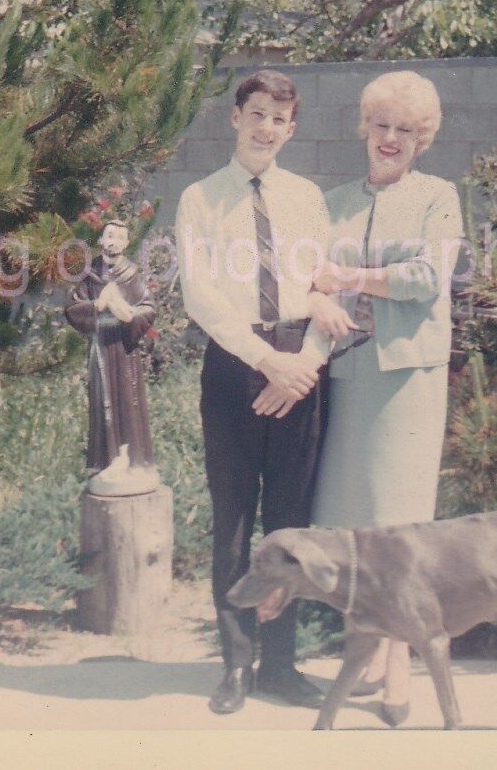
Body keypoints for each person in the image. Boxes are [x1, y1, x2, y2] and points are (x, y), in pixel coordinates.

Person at [174, 70, 357, 715]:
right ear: (236, 117)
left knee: (290, 524)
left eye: (279, 119)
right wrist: (266, 362)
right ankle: (237, 665)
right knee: (233, 522)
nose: (266, 127)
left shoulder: (308, 199)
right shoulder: (200, 199)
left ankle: (281, 664)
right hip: (234, 368)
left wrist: (303, 365)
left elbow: (325, 286)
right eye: (256, 113)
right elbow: (203, 298)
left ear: (291, 127)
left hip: (300, 368)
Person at [290, 70, 463, 727]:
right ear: (365, 129)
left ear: (423, 140)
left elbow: (425, 279)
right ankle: (367, 659)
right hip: (346, 377)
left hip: (406, 382)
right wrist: (315, 292)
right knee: (357, 528)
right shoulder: (330, 202)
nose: (390, 139)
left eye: (406, 130)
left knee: (398, 530)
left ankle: (398, 673)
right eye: (381, 125)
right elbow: (301, 276)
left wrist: (350, 277)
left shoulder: (437, 198)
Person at [63, 219, 160, 497]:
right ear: (101, 240)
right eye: (109, 236)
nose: (113, 241)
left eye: (119, 237)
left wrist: (126, 313)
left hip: (125, 348)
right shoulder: (89, 274)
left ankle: (132, 458)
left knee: (127, 400)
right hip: (101, 345)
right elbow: (72, 307)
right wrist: (98, 305)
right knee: (102, 398)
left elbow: (148, 308)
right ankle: (106, 459)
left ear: (127, 243)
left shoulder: (133, 275)